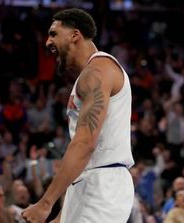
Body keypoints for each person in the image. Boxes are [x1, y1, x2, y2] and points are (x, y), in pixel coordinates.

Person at [22, 8, 134, 223]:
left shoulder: (97, 71)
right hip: (91, 183)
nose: (47, 42)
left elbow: (84, 143)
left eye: (53, 34)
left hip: (101, 183)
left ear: (75, 36)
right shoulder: (91, 74)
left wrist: (46, 204)